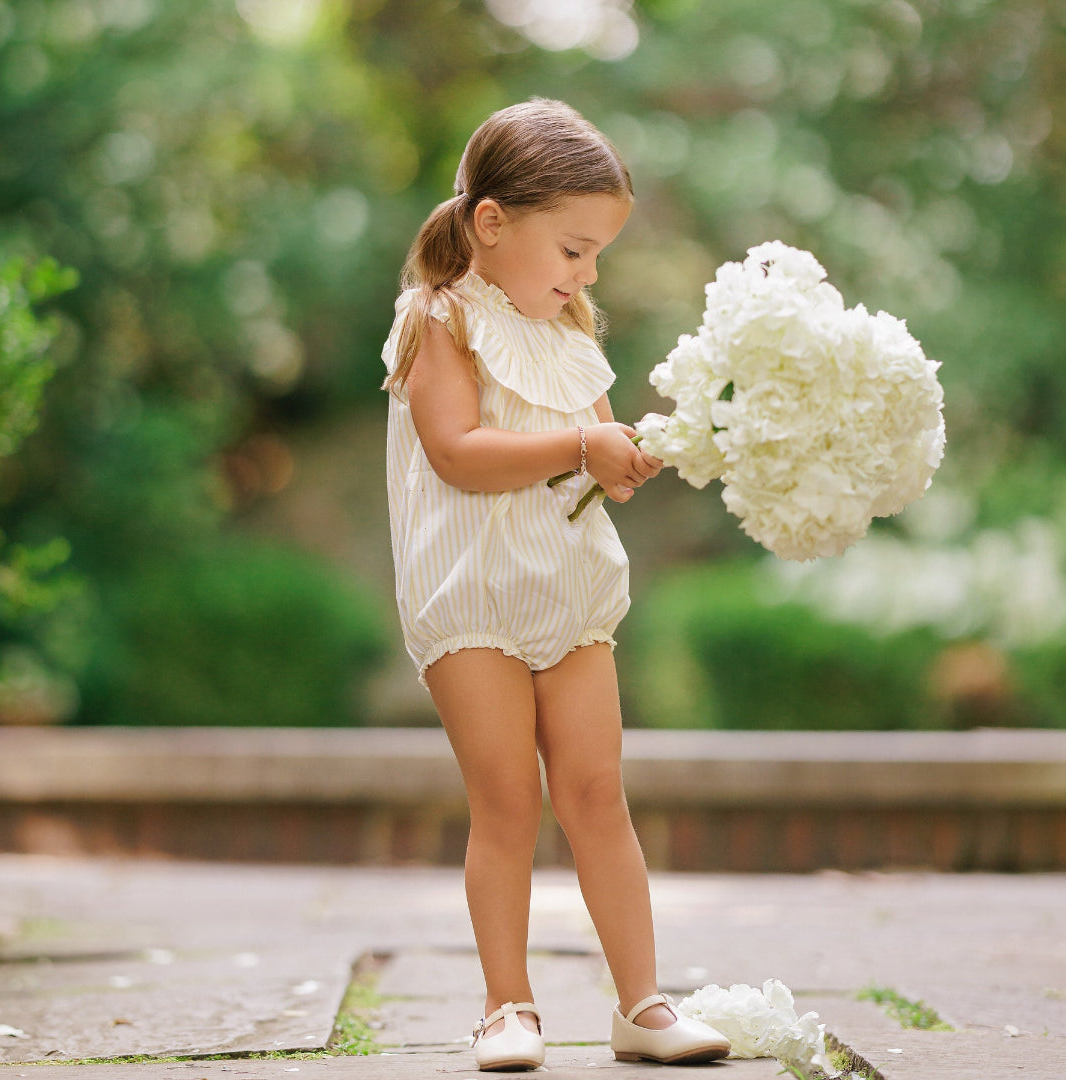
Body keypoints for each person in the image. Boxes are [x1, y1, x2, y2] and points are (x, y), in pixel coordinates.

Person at [381, 98, 730, 1071]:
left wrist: (622, 455)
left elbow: (586, 454)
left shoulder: (571, 329)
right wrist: (580, 442)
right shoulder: (440, 320)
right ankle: (507, 1004)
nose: (584, 274)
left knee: (596, 793)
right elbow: (458, 453)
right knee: (505, 802)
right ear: (492, 224)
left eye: (596, 257)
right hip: (472, 598)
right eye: (572, 250)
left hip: (566, 589)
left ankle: (643, 1004)